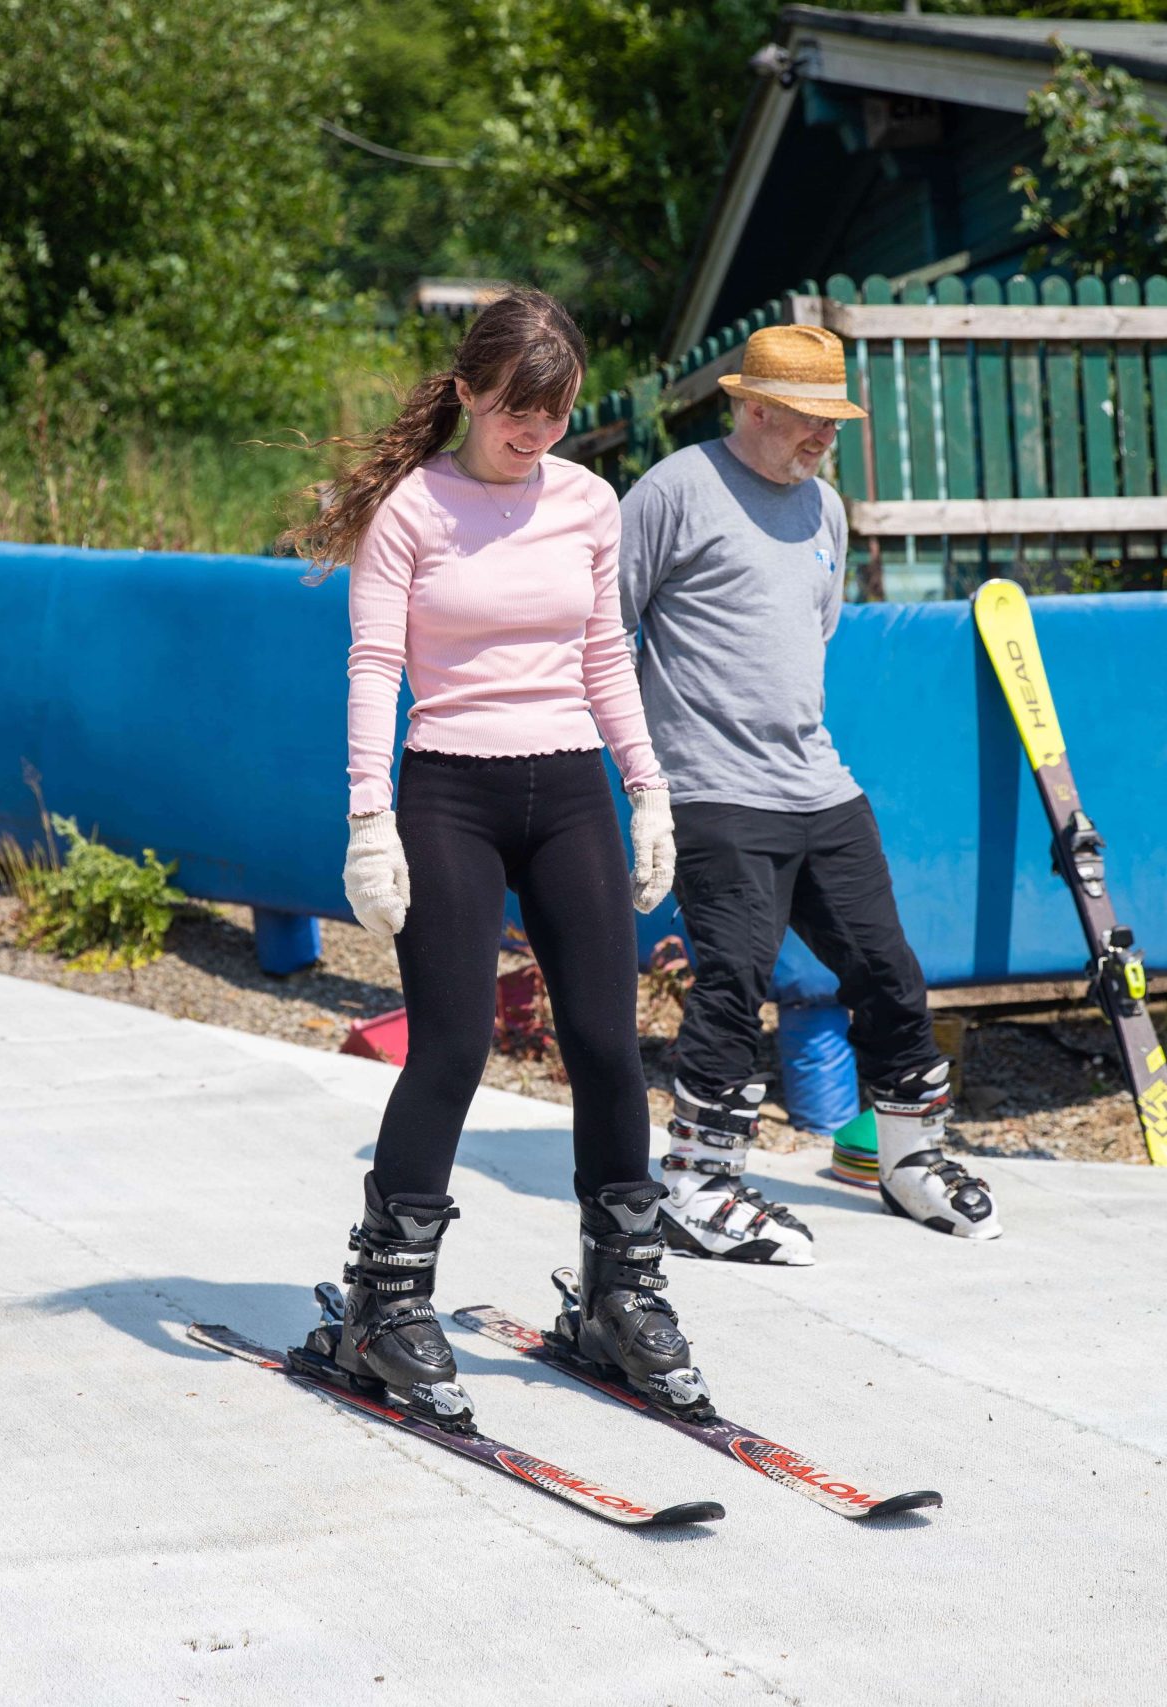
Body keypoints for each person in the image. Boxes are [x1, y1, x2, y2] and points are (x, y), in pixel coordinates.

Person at [285, 288, 708, 1429]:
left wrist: (648, 788)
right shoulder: (411, 510)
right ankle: (386, 1301)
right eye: (519, 410)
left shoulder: (587, 502)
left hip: (569, 783)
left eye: (558, 413)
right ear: (468, 391)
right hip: (450, 792)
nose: (537, 434)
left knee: (609, 1045)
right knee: (456, 1044)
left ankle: (623, 1294)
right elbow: (375, 666)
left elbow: (606, 652)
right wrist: (369, 818)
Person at [618, 322, 1000, 1262]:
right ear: (751, 407)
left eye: (834, 419)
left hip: (817, 783)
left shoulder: (825, 506)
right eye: (806, 419)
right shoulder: (674, 491)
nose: (824, 436)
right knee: (735, 979)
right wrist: (644, 785)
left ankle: (911, 1157)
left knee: (887, 968)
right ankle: (698, 1182)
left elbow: (811, 631)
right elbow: (604, 629)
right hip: (713, 789)